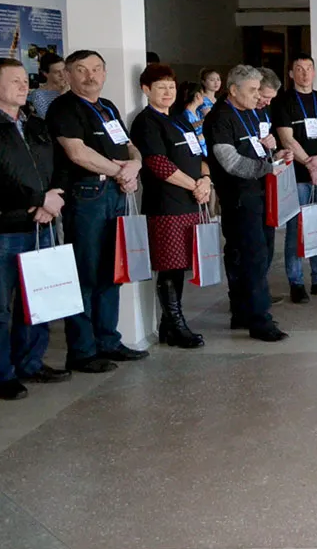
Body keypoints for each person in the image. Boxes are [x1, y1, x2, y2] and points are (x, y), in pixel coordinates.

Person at [0, 58, 70, 400]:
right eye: (15, 80)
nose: (24, 86)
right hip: (2, 229)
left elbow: (59, 164)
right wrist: (39, 199)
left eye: (25, 80)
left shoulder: (35, 123)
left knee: (37, 298)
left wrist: (53, 199)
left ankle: (30, 363)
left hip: (41, 223)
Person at [46, 50, 148, 372]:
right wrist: (121, 172)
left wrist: (135, 165)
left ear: (104, 73)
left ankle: (108, 341)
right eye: (81, 70)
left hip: (115, 192)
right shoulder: (64, 108)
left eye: (96, 69)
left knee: (111, 270)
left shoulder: (107, 107)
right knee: (85, 274)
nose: (90, 76)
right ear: (68, 75)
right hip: (87, 195)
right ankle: (82, 351)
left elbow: (129, 145)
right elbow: (78, 153)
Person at [204, 65, 290, 342]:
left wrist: (274, 154)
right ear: (233, 90)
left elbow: (255, 150)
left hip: (260, 194)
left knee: (258, 254)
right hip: (239, 198)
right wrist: (268, 168)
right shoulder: (220, 118)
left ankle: (244, 310)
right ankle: (260, 320)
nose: (257, 95)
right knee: (252, 257)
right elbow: (230, 162)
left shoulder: (250, 113)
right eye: (252, 90)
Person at [129, 63, 208, 348]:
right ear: (146, 89)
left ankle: (168, 325)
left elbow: (199, 154)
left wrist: (206, 180)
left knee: (181, 265)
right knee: (170, 267)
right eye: (160, 87)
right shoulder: (146, 122)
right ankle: (176, 324)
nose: (167, 92)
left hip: (189, 203)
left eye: (171, 87)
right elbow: (158, 164)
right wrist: (194, 185)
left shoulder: (179, 119)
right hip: (166, 206)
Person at [273, 54, 317, 303]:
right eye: (299, 69)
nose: (304, 73)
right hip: (297, 175)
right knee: (296, 229)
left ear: (314, 72)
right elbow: (287, 139)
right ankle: (296, 282)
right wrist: (309, 164)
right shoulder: (283, 101)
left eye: (309, 68)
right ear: (291, 74)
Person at [28, 53, 67, 117]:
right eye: (56, 72)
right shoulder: (38, 95)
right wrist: (63, 95)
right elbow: (50, 119)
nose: (62, 75)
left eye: (64, 70)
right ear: (45, 73)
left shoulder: (73, 88)